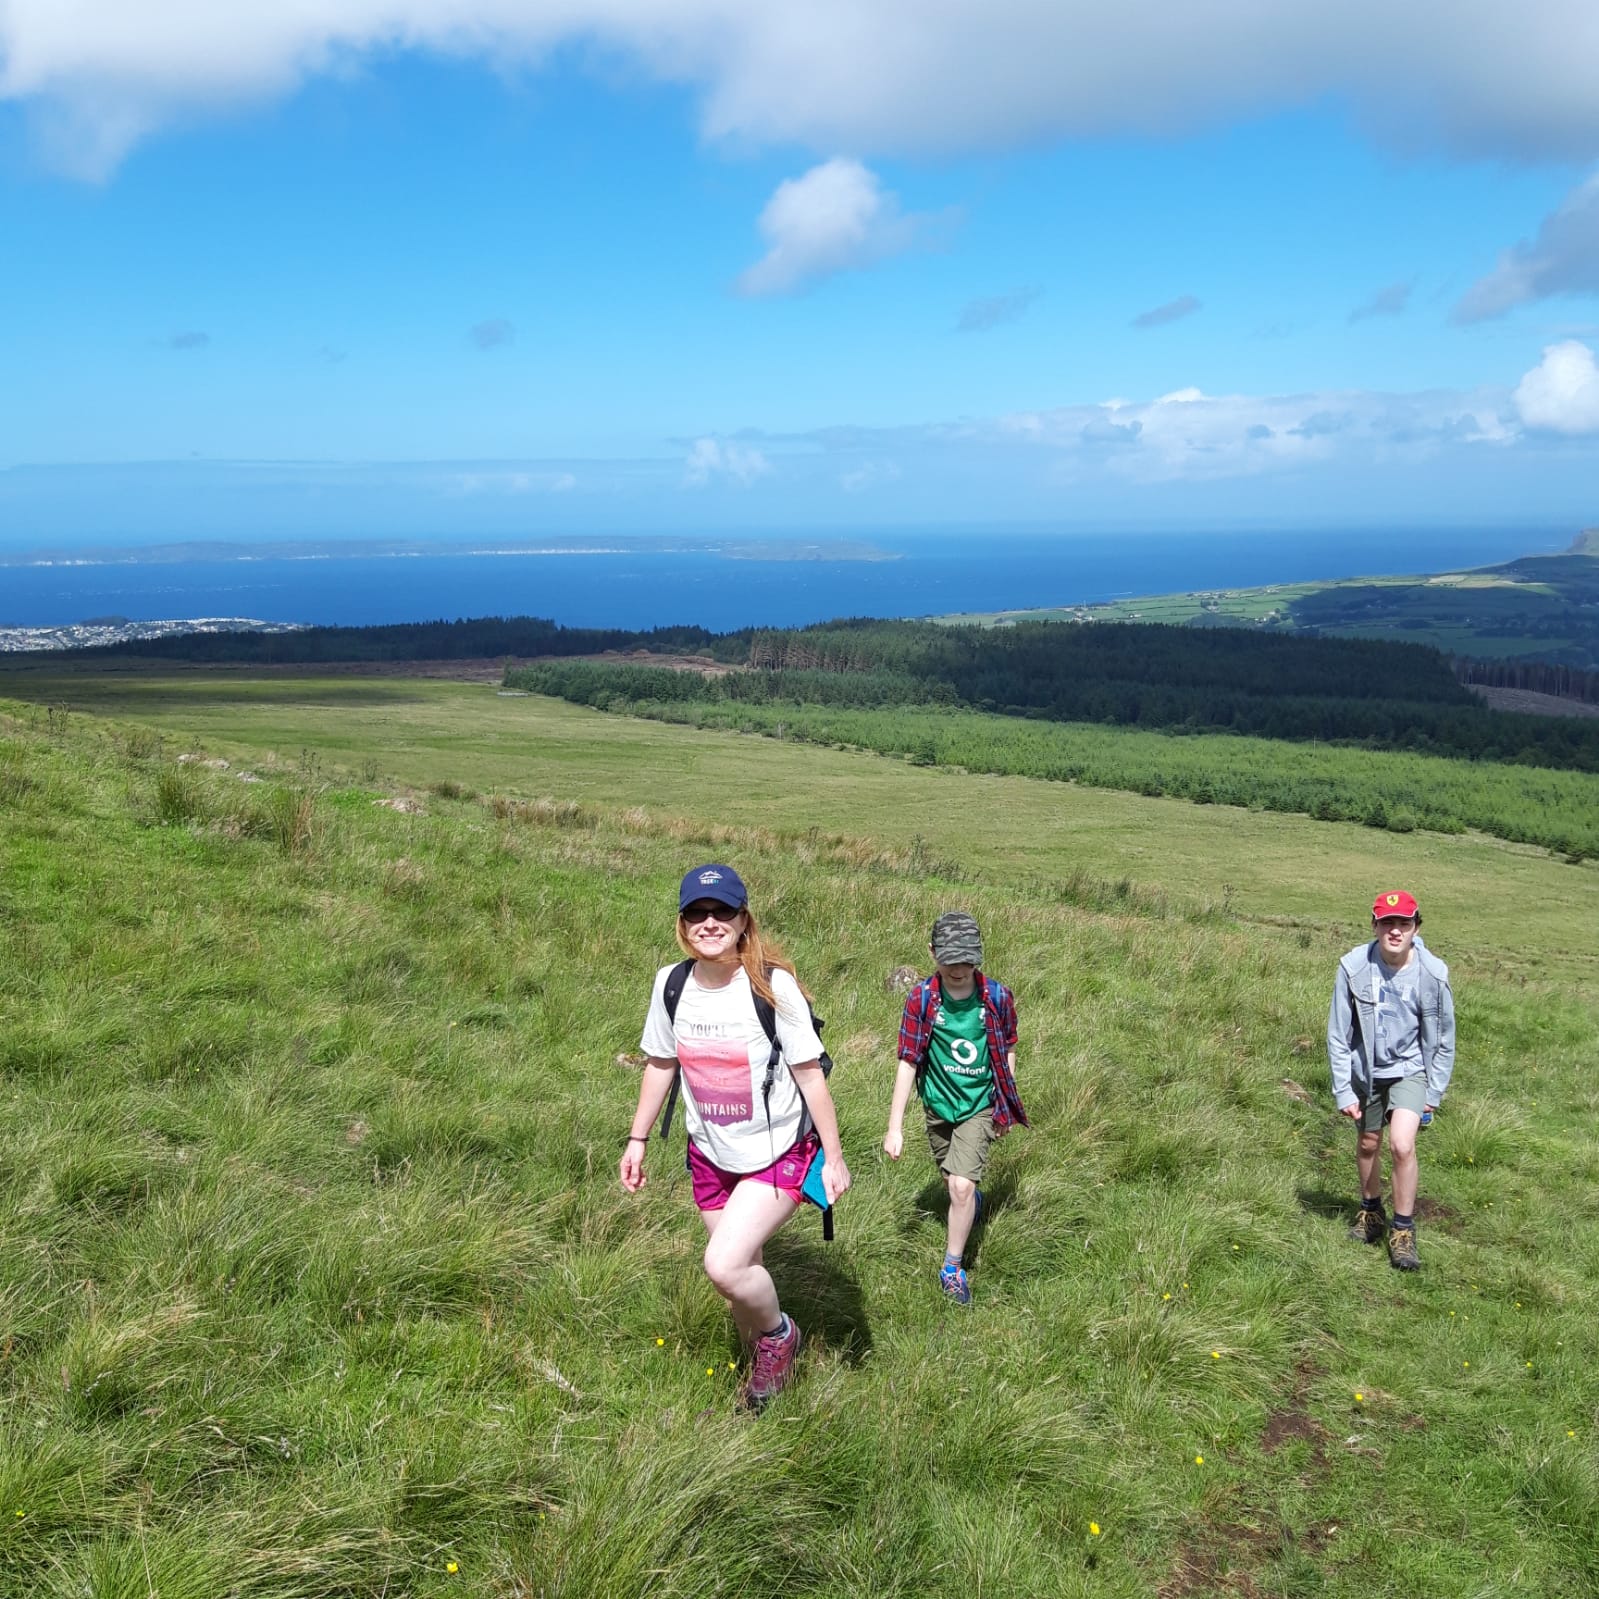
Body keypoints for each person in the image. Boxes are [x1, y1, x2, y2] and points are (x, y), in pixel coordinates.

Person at [621, 864, 850, 1409]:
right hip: (710, 1154)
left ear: (744, 919)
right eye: (697, 913)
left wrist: (835, 1157)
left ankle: (780, 1338)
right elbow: (660, 1063)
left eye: (722, 911)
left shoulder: (773, 985)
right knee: (743, 1274)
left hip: (777, 1153)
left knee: (723, 1265)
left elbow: (809, 1073)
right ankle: (762, 1378)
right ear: (682, 923)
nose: (710, 922)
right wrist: (638, 1140)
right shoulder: (671, 985)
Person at [883, 910, 1027, 1304]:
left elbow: (1009, 1046)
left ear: (979, 956)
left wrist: (1004, 1103)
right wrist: (894, 1127)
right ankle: (972, 1203)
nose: (959, 968)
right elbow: (908, 1059)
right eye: (950, 960)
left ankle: (952, 1267)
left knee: (961, 1186)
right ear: (932, 953)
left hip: (979, 1104)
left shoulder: (997, 997)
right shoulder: (923, 999)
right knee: (953, 1184)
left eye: (967, 959)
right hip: (938, 1105)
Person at [1327, 889, 1456, 1271]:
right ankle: (1371, 1212)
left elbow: (1445, 1039)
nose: (1395, 931)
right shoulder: (1352, 967)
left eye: (1404, 923)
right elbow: (1338, 1033)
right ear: (1375, 925)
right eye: (1387, 923)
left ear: (1416, 927)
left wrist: (1433, 1090)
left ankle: (1403, 1231)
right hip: (1366, 1072)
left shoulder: (1433, 974)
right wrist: (1342, 1087)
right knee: (1368, 1142)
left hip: (1411, 1070)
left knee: (1401, 1144)